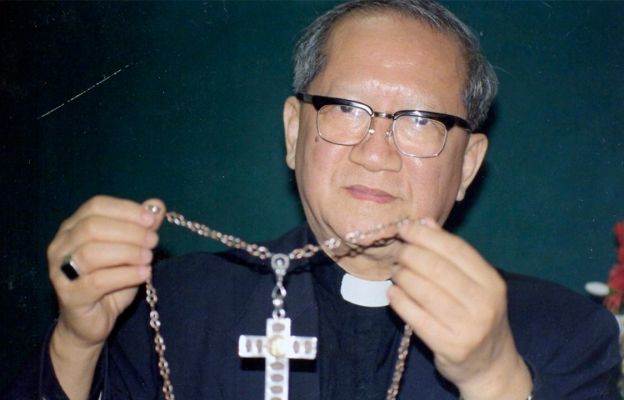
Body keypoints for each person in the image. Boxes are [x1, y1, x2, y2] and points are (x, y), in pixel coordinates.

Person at [4, 0, 621, 399]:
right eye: (346, 110)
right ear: (294, 132)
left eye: (419, 121)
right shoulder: (170, 305)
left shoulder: (568, 333)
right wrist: (77, 342)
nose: (375, 153)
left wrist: (495, 377)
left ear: (468, 165)